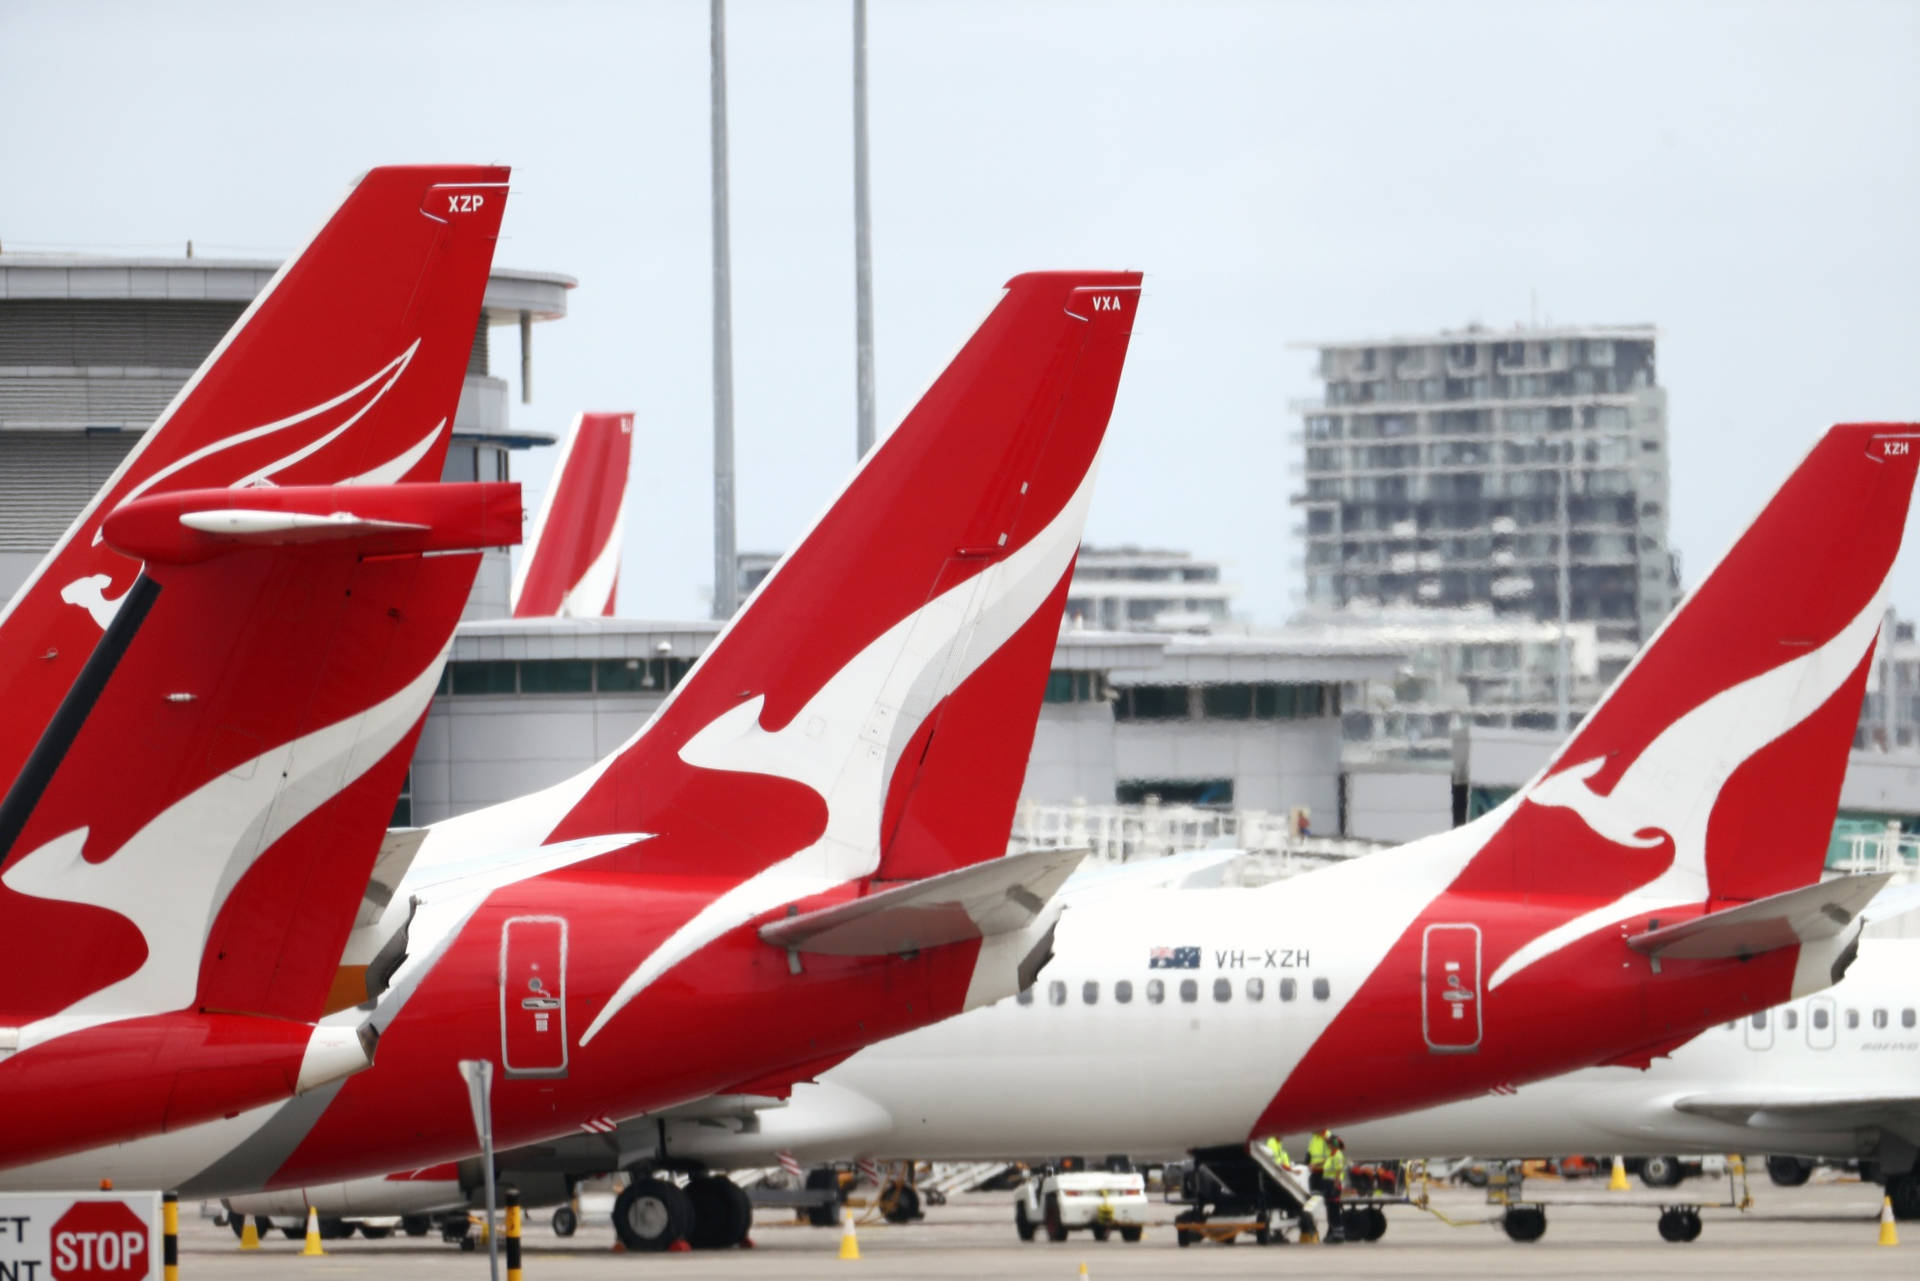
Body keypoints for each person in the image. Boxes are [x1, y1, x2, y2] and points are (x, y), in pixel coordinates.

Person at [1323, 1136, 1350, 1242]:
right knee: (1330, 1210)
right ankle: (1332, 1232)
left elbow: (1338, 1171)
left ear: (1333, 1145)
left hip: (1334, 1184)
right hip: (1328, 1183)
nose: (1327, 1146)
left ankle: (1338, 1234)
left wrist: (1335, 1185)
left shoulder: (1338, 1155)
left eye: (1329, 1144)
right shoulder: (1331, 1155)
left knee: (1334, 1211)